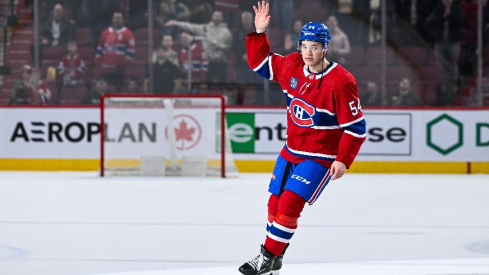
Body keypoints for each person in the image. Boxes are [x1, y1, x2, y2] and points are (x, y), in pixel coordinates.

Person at [239, 2, 367, 275]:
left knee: (289, 204)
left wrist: (343, 160)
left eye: (315, 47)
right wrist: (259, 32)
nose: (309, 53)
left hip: (319, 157)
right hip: (291, 150)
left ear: (325, 48)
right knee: (274, 204)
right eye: (305, 46)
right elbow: (261, 64)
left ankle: (265, 257)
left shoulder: (341, 82)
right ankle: (275, 258)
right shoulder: (293, 65)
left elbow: (356, 128)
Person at [165, 10, 233, 84]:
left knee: (222, 85)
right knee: (206, 85)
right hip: (208, 62)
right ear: (212, 17)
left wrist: (220, 46)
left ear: (222, 18)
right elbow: (191, 26)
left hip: (220, 63)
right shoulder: (205, 28)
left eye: (219, 16)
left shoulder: (226, 32)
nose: (217, 18)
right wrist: (177, 23)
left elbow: (229, 47)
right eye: (215, 16)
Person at [426, 0, 462, 104]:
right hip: (440, 40)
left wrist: (450, 15)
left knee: (453, 64)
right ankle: (443, 88)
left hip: (453, 40)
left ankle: (453, 88)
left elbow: (460, 21)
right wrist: (443, 16)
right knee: (438, 64)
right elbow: (432, 22)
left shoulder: (456, 7)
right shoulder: (438, 7)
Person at [95, 11, 136, 92]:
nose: (117, 20)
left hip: (119, 70)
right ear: (112, 19)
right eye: (115, 18)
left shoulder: (127, 33)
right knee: (105, 91)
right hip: (106, 69)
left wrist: (124, 62)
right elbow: (100, 48)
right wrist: (98, 61)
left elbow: (131, 50)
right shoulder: (105, 32)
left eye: (119, 18)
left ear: (123, 20)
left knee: (118, 91)